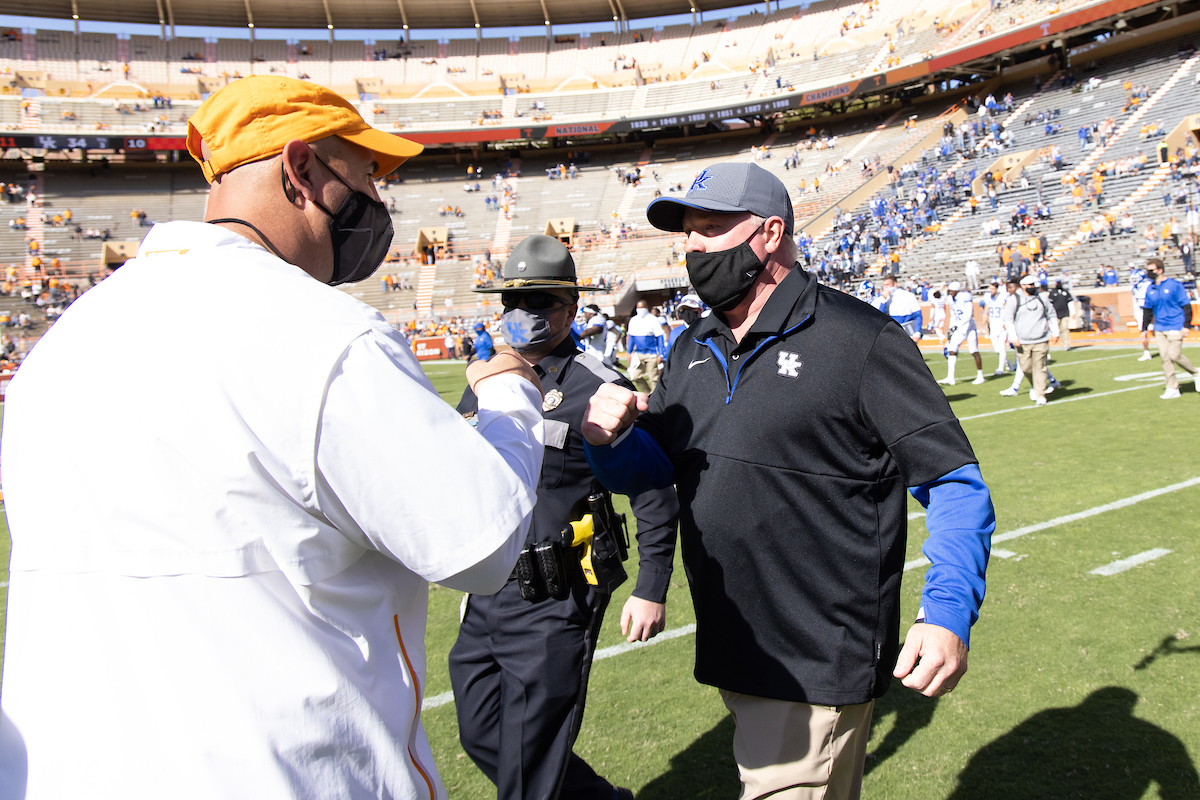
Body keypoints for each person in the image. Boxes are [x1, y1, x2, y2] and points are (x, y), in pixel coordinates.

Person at [0, 76, 548, 800]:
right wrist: (511, 397)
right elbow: (483, 544)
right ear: (301, 170)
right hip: (284, 772)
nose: (377, 200)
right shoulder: (323, 336)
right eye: (367, 174)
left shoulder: (62, 346)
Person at [580, 163, 995, 800]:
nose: (693, 247)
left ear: (770, 234)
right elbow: (654, 472)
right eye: (688, 233)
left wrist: (946, 611)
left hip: (818, 652)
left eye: (710, 229)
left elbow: (955, 484)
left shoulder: (860, 339)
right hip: (735, 642)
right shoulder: (691, 345)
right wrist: (607, 440)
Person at [455, 235, 679, 800]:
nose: (523, 313)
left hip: (556, 594)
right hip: (488, 591)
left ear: (571, 309)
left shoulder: (599, 386)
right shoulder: (489, 382)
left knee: (528, 763)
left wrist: (651, 587)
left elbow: (652, 490)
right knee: (481, 733)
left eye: (540, 302)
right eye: (513, 301)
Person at [1142, 257, 1199, 400]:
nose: (1149, 273)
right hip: (1160, 327)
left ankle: (1196, 373)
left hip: (1175, 324)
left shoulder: (1174, 285)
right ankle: (1172, 388)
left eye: (1152, 270)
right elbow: (1148, 310)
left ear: (1160, 270)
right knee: (1165, 358)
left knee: (1174, 355)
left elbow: (1186, 306)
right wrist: (1144, 329)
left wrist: (1186, 326)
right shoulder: (1150, 288)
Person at [1001, 275, 1058, 406]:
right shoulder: (1014, 299)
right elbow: (1008, 320)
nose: (1033, 287)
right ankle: (1035, 385)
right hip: (1023, 341)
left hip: (1041, 339)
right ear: (1023, 286)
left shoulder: (1042, 297)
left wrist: (1055, 332)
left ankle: (1040, 395)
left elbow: (1051, 314)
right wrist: (1013, 337)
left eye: (1034, 285)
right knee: (1026, 367)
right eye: (1030, 285)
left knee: (1040, 367)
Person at [940, 281, 986, 386]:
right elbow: (953, 314)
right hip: (959, 328)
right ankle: (950, 377)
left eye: (952, 291)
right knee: (952, 350)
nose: (950, 292)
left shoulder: (965, 297)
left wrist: (957, 325)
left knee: (974, 351)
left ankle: (980, 376)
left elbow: (968, 315)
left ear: (957, 290)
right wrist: (951, 327)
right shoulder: (950, 299)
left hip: (969, 327)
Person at [625, 299, 666, 394]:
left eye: (642, 308)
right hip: (638, 353)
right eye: (638, 308)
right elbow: (631, 337)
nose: (640, 310)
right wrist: (629, 352)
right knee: (636, 376)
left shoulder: (653, 319)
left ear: (646, 308)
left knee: (653, 379)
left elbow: (660, 337)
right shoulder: (633, 320)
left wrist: (660, 354)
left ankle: (655, 398)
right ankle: (648, 394)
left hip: (651, 353)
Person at [980, 282, 1014, 374]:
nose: (990, 291)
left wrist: (1006, 322)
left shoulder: (1003, 297)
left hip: (1002, 324)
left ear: (997, 289)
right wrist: (982, 326)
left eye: (992, 289)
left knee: (1002, 346)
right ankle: (1008, 362)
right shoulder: (987, 297)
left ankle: (1000, 368)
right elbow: (985, 313)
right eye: (989, 289)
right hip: (993, 325)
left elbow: (1008, 309)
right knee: (997, 349)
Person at [881, 275, 922, 343]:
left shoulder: (908, 295)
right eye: (884, 285)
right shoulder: (884, 299)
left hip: (908, 331)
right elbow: (881, 316)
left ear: (895, 284)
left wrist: (917, 332)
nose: (886, 287)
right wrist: (883, 299)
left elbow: (918, 315)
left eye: (887, 285)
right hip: (894, 333)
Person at [1047, 280, 1074, 351]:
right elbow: (1049, 304)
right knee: (1057, 329)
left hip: (1065, 313)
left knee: (1064, 328)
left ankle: (1066, 344)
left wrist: (1073, 312)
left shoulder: (1065, 292)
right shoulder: (1052, 293)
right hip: (1055, 315)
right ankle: (1058, 342)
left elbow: (1070, 302)